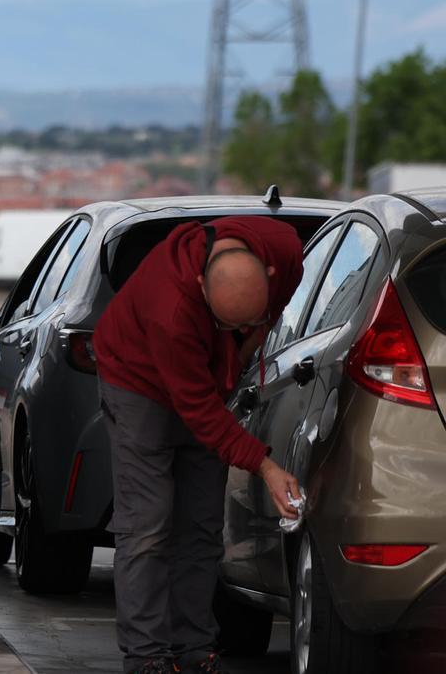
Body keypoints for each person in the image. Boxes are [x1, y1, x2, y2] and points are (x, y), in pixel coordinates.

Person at [93, 215, 304, 674]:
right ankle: (147, 655)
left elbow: (255, 333)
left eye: (246, 322)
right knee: (148, 523)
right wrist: (265, 466)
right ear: (201, 288)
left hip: (201, 377)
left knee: (202, 524)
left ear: (269, 274)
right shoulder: (169, 308)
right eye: (225, 323)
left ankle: (194, 647)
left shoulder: (285, 251)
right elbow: (201, 414)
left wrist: (242, 346)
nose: (238, 331)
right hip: (138, 381)